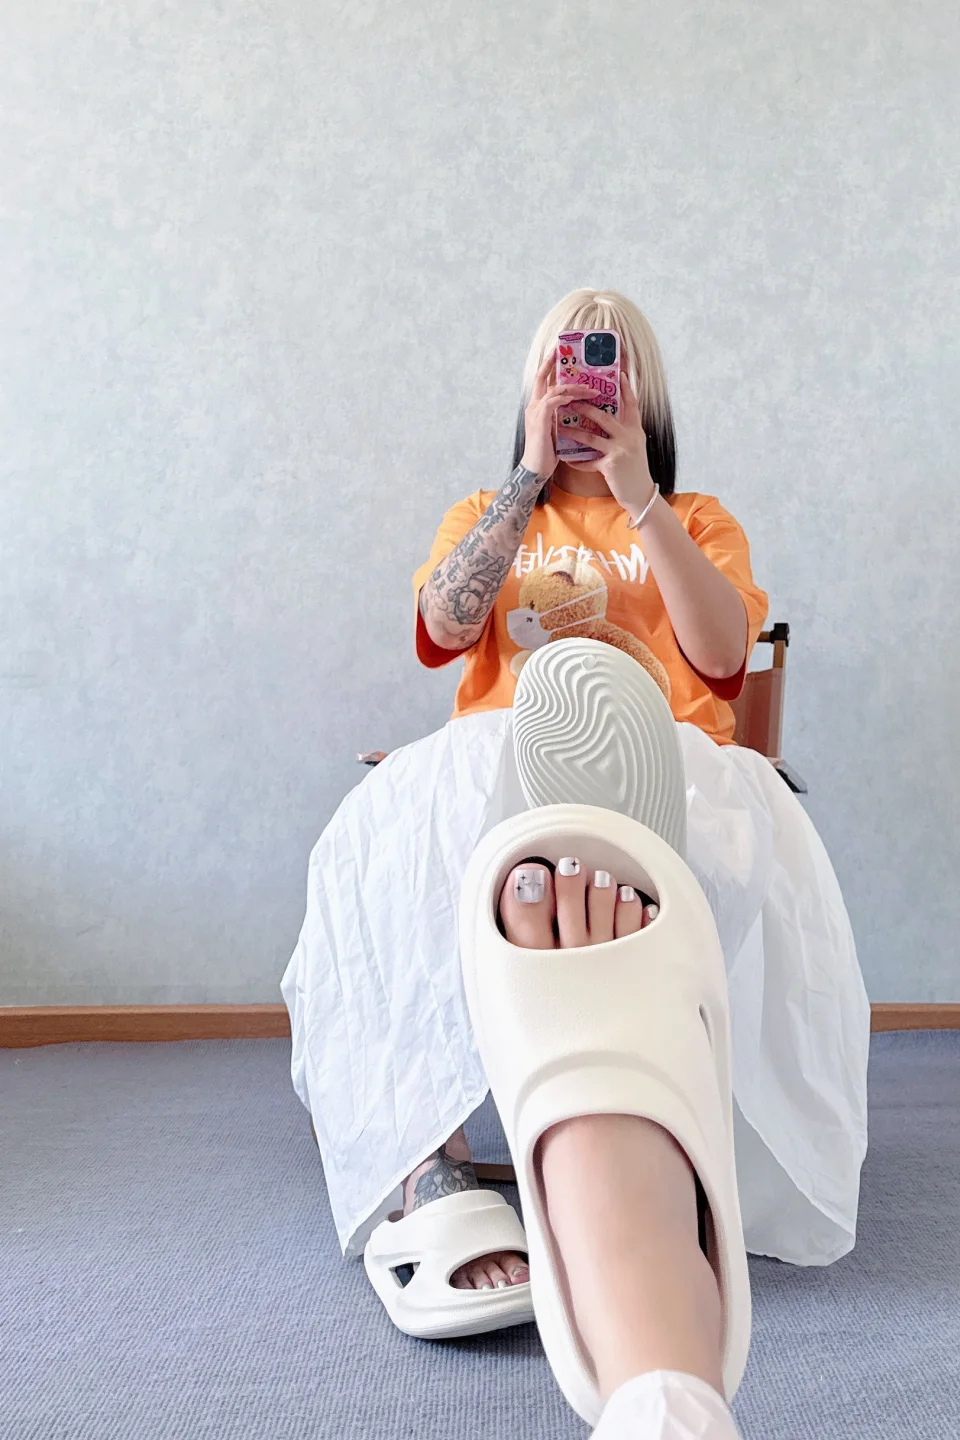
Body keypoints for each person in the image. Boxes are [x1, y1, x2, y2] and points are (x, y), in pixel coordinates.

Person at [281, 289, 870, 1430]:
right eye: (566, 363)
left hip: (670, 762)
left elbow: (723, 658)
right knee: (386, 829)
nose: (587, 385)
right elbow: (445, 631)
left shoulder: (695, 518)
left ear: (646, 393)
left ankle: (636, 1118)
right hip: (497, 766)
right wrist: (529, 477)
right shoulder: (483, 512)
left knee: (656, 755)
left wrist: (638, 496)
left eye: (610, 366)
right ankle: (429, 1162)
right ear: (532, 384)